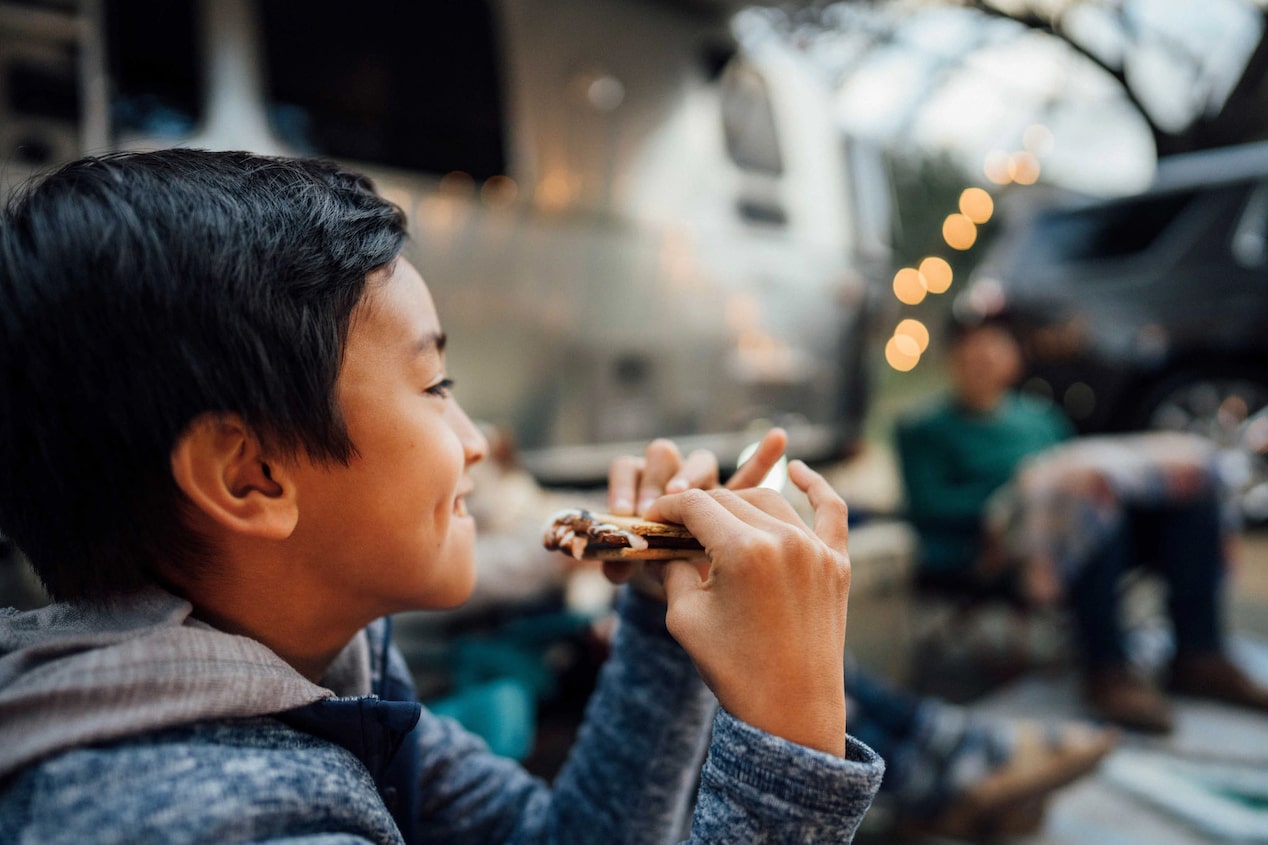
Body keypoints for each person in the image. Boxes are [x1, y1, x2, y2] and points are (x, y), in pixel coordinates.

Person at [0, 150, 881, 843]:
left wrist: (656, 627)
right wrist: (791, 751)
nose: (470, 440)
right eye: (434, 386)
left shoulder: (328, 668)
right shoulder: (180, 814)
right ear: (250, 476)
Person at [896, 312, 1268, 733]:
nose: (983, 360)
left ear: (1015, 360)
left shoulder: (1039, 418)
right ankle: (1107, 670)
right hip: (991, 547)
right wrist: (1022, 496)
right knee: (1086, 514)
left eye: (995, 349)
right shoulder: (923, 428)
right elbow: (930, 506)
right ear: (953, 359)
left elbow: (1073, 469)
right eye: (972, 350)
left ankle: (1200, 656)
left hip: (1064, 536)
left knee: (1188, 502)